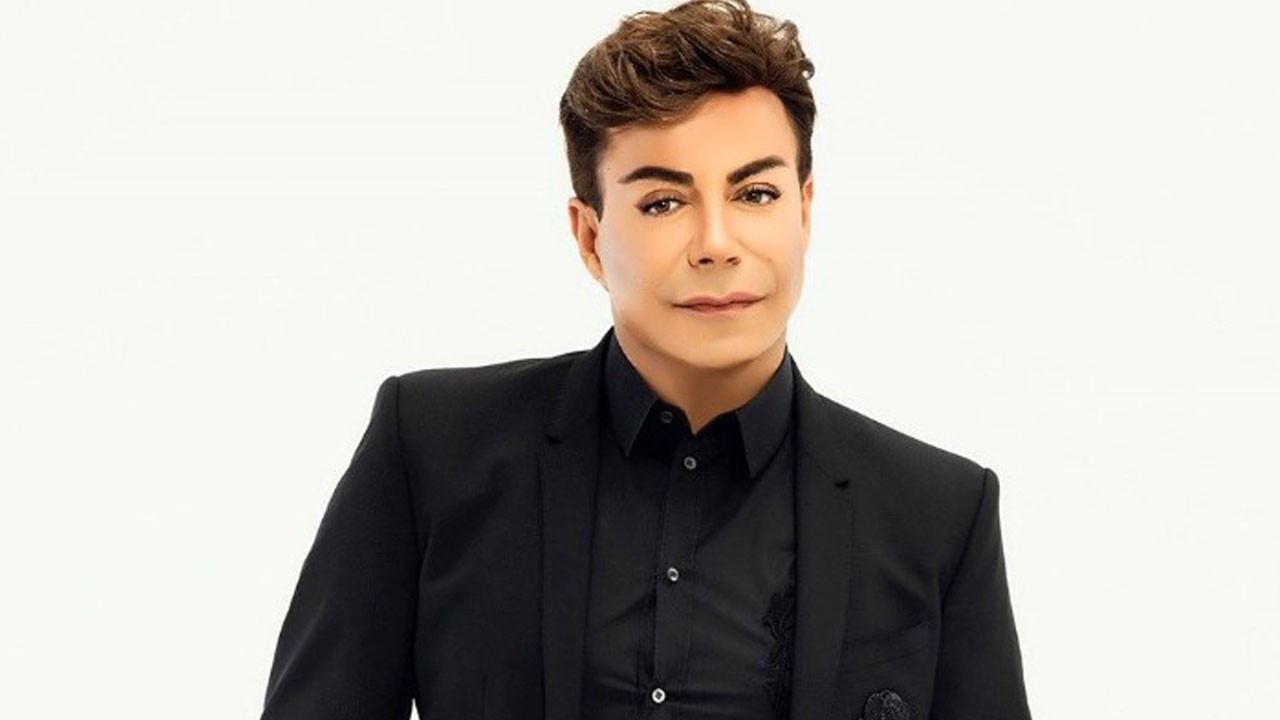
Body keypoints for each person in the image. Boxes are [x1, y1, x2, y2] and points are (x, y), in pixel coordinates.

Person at [258, 1, 1033, 719]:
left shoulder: (938, 513)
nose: (717, 244)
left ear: (805, 209)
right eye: (664, 202)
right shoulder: (432, 448)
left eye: (755, 194)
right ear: (589, 237)